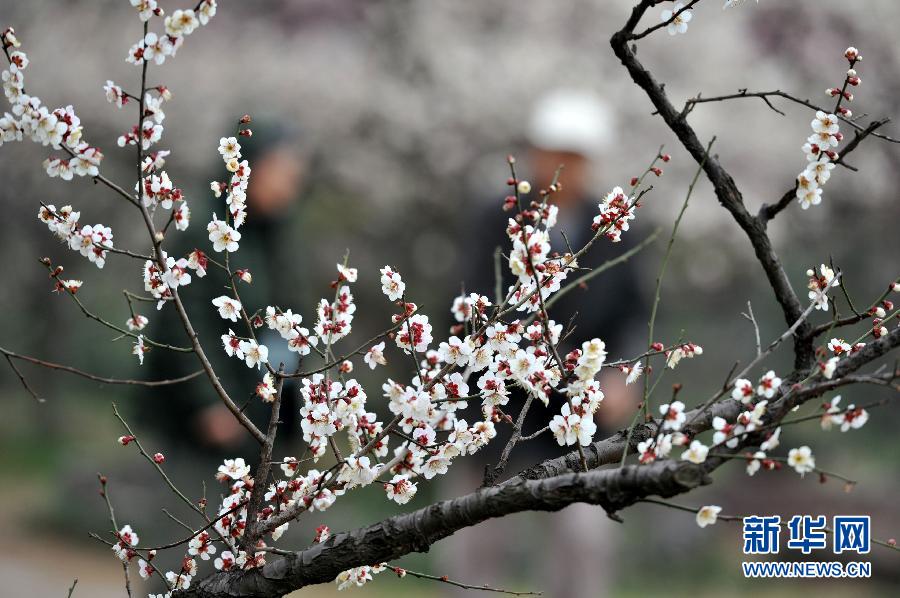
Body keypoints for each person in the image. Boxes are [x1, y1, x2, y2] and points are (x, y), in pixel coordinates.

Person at [441, 90, 648, 597]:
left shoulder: (615, 227)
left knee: (583, 539)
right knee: (477, 537)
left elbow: (632, 314)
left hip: (579, 413)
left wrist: (623, 373)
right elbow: (468, 302)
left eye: (576, 157)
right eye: (555, 153)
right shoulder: (497, 217)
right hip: (495, 404)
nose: (563, 167)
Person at [139, 121, 309, 456]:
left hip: (259, 401)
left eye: (296, 176)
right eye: (281, 172)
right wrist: (213, 402)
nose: (290, 187)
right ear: (249, 170)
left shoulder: (273, 235)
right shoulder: (207, 232)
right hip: (207, 414)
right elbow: (185, 320)